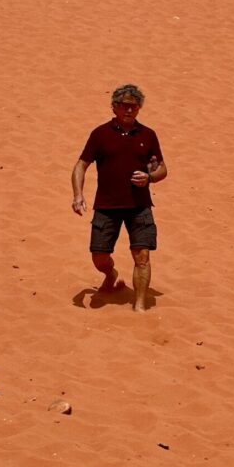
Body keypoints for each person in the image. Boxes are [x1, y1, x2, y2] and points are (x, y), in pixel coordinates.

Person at [71, 84, 167, 311]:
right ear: (114, 107)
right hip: (107, 206)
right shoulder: (100, 134)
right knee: (99, 256)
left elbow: (162, 168)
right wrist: (78, 195)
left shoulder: (148, 135)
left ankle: (140, 305)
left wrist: (150, 178)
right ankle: (110, 273)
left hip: (139, 206)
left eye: (134, 106)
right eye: (124, 105)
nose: (129, 110)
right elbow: (81, 165)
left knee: (142, 255)